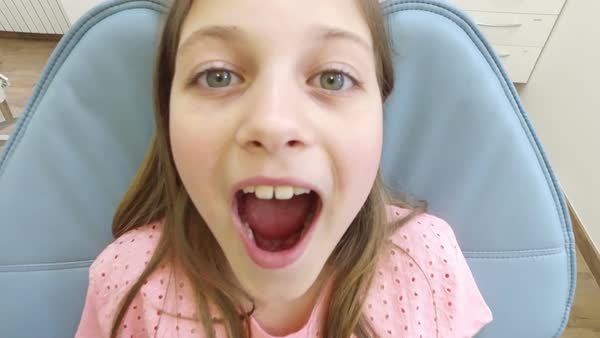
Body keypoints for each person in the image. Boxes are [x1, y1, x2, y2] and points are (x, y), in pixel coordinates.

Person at [75, 0, 493, 337]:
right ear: (167, 113)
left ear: (380, 112)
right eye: (217, 75)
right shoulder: (127, 282)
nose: (273, 123)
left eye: (333, 78)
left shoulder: (429, 262)